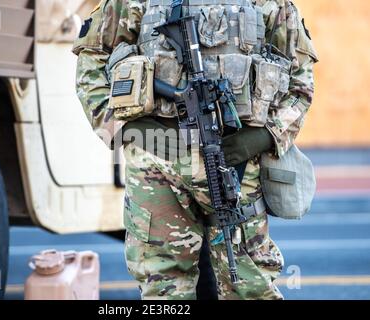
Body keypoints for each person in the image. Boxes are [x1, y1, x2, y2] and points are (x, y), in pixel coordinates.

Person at [73, 0, 318, 300]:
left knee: (250, 286)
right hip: (157, 169)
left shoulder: (268, 4)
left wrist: (265, 135)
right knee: (163, 291)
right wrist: (128, 130)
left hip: (235, 166)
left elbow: (300, 77)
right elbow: (92, 59)